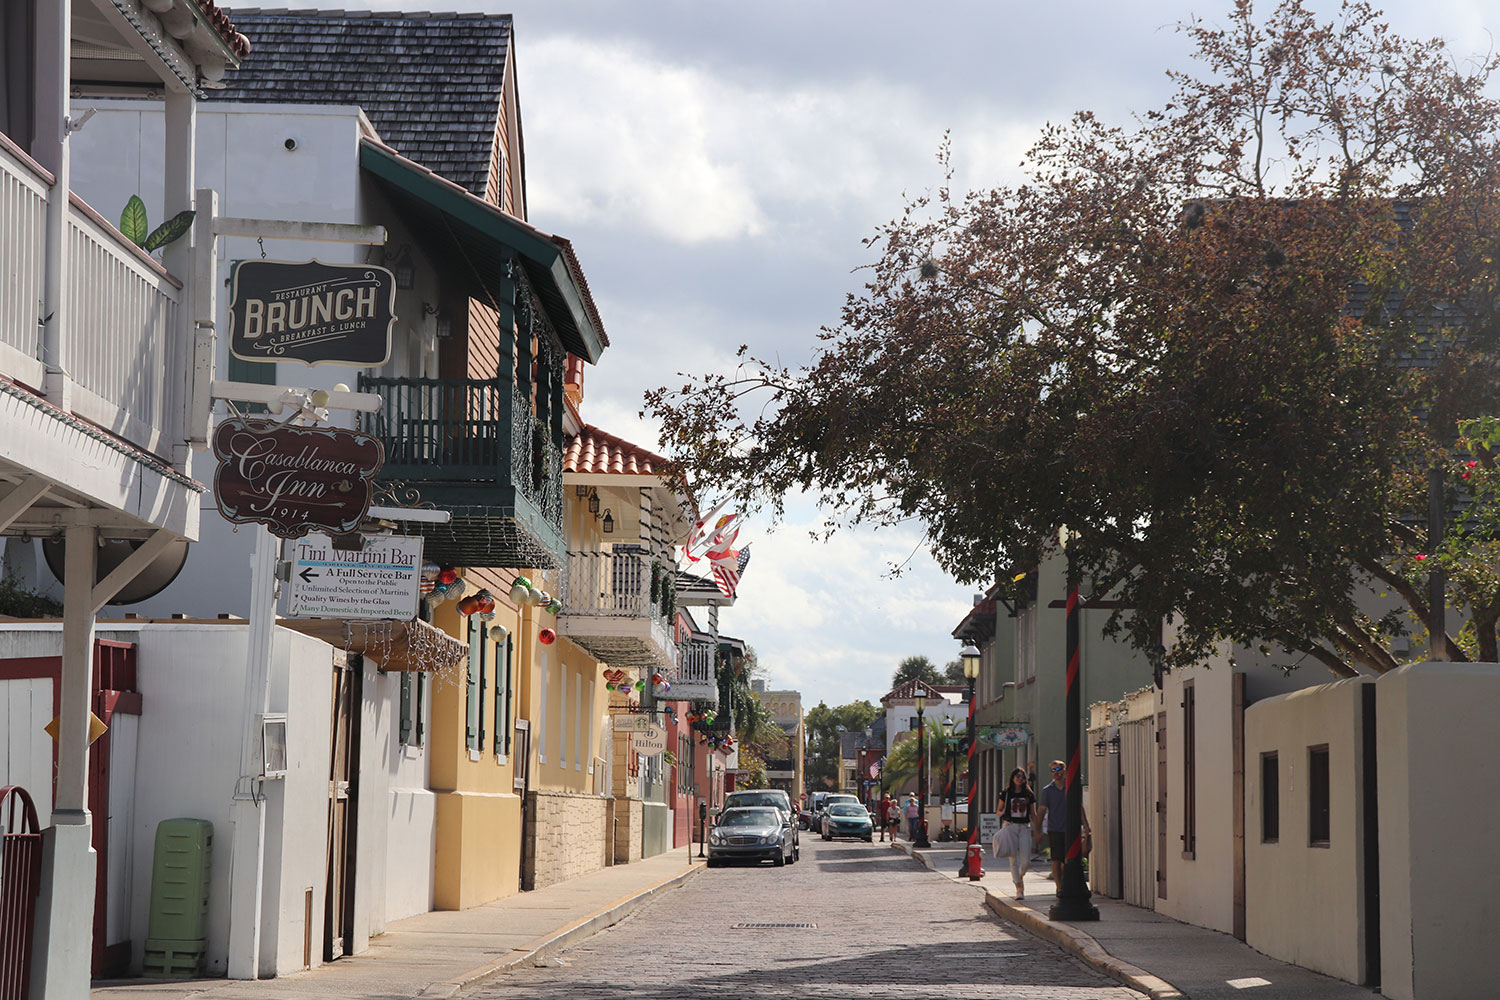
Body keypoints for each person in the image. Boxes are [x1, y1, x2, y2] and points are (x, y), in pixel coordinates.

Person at [1034, 759, 1090, 883]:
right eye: (1053, 770)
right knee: (1056, 860)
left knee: (1069, 859)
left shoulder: (1071, 787)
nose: (1056, 772)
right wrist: (1037, 831)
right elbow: (1041, 811)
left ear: (1064, 770)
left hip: (1071, 828)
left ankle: (1065, 884)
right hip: (1055, 829)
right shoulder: (1047, 790)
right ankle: (1059, 888)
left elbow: (1078, 806)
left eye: (1059, 769)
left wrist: (1085, 824)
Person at [997, 767, 1036, 899]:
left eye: (1022, 776)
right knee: (1013, 859)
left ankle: (1019, 876)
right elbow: (998, 810)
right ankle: (1019, 888)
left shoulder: (1029, 794)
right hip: (1010, 826)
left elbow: (1034, 814)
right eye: (1017, 776)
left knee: (1026, 861)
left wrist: (1038, 830)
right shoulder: (1006, 793)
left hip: (1024, 827)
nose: (1019, 778)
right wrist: (1002, 814)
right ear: (1012, 778)